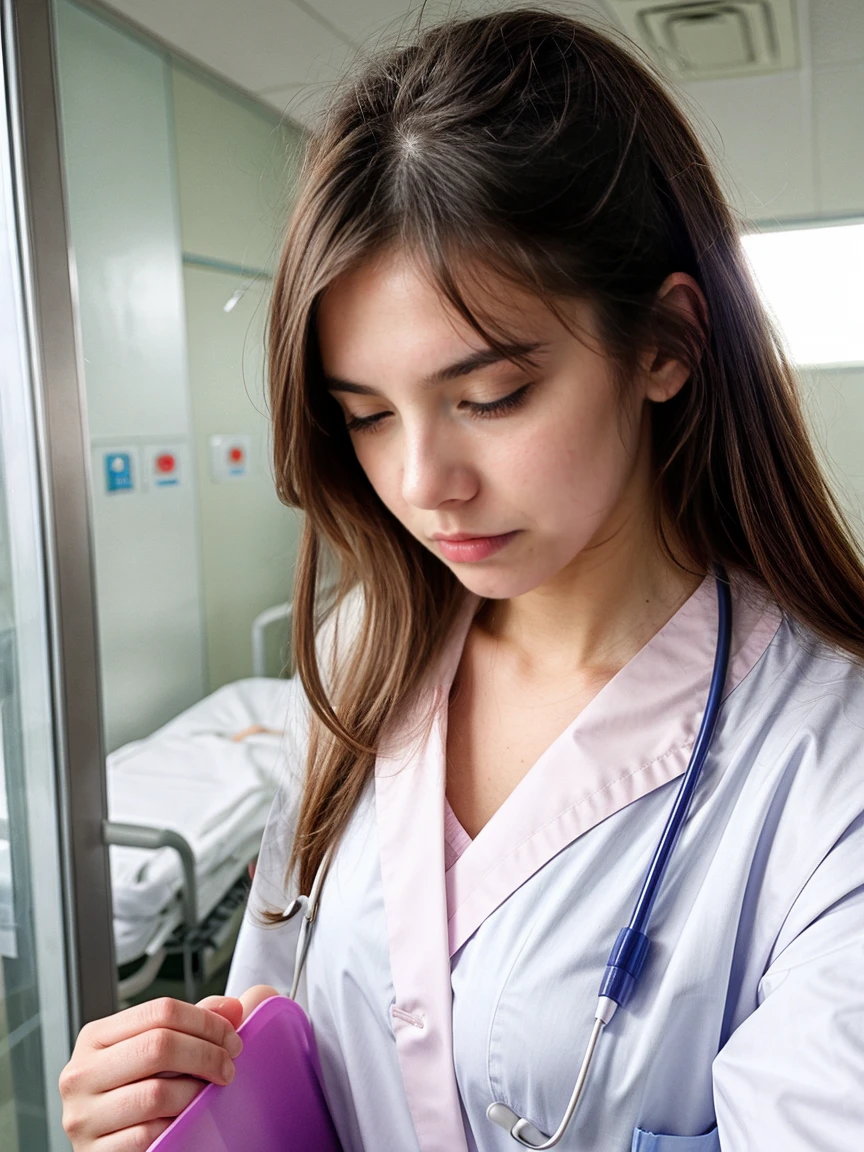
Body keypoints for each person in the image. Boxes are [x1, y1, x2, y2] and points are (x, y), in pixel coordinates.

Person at [60, 8, 864, 1151]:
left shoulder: (827, 770)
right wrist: (166, 1108)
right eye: (367, 418)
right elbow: (275, 1046)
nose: (423, 482)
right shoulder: (359, 663)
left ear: (667, 343)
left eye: (489, 397)